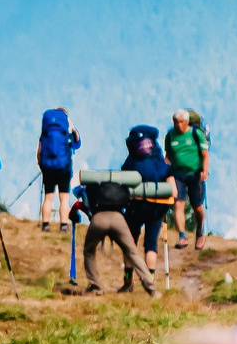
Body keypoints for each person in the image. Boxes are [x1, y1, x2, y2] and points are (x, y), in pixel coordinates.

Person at [74, 174, 156, 296]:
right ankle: (151, 287)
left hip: (98, 219)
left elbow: (81, 198)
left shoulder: (93, 188)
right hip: (118, 219)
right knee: (132, 252)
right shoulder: (122, 188)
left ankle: (95, 286)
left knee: (89, 251)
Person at [124, 126, 179, 280]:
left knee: (130, 243)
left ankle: (128, 280)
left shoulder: (130, 162)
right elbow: (174, 192)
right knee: (151, 245)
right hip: (156, 209)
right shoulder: (161, 164)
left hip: (134, 208)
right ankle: (150, 281)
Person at [165, 110, 210, 252]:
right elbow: (168, 156)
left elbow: (205, 154)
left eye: (181, 122)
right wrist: (165, 171)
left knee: (197, 206)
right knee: (178, 204)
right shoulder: (170, 135)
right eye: (176, 122)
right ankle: (182, 235)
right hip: (178, 174)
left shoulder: (196, 134)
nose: (178, 125)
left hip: (195, 174)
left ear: (187, 122)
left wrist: (204, 170)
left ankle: (200, 231)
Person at [36, 108, 79, 231]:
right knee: (64, 198)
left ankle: (45, 225)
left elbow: (39, 151)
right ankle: (63, 226)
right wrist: (73, 128)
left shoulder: (46, 131)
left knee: (48, 197)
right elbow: (77, 144)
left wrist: (42, 165)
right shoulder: (67, 132)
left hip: (48, 167)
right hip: (64, 168)